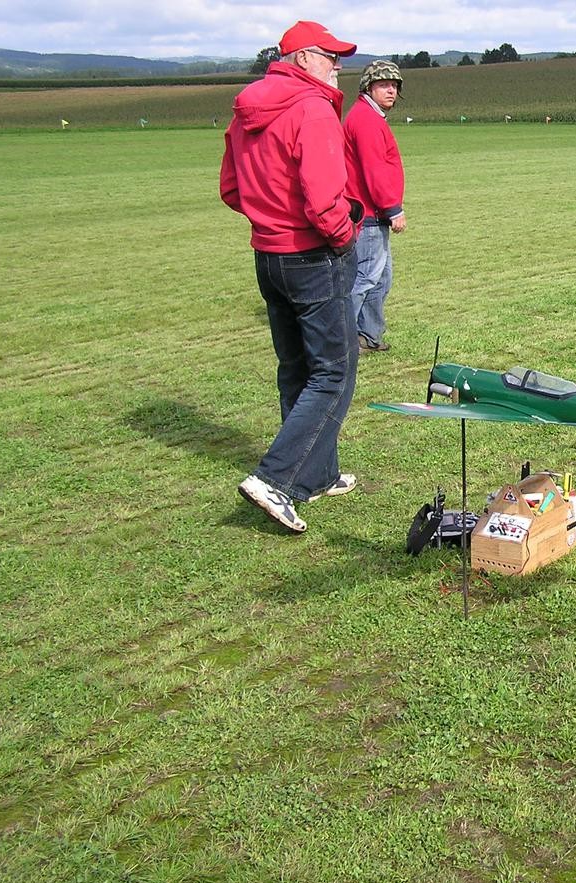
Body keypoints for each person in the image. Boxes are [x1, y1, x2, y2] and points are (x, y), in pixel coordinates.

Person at [219, 20, 362, 533]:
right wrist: (344, 237)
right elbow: (324, 201)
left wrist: (271, 220)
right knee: (334, 373)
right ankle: (276, 479)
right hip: (313, 255)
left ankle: (317, 475)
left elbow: (231, 189)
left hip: (268, 255)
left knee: (297, 367)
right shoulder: (312, 108)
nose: (337, 66)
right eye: (330, 56)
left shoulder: (246, 112)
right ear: (302, 58)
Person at [344, 60, 407, 354]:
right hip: (369, 214)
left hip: (372, 213)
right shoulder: (366, 120)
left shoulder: (369, 116)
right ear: (368, 88)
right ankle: (343, 340)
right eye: (383, 85)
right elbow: (375, 170)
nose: (391, 90)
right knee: (366, 278)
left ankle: (368, 335)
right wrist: (392, 208)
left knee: (381, 277)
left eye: (394, 85)